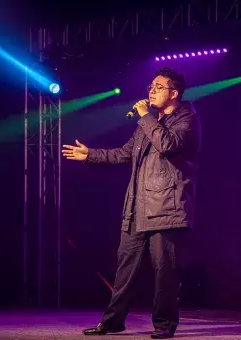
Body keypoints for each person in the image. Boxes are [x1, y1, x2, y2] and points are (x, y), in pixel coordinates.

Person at [62, 67, 202, 339]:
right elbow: (123, 154)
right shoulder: (148, 124)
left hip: (168, 207)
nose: (151, 90)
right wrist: (90, 154)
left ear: (174, 93)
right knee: (125, 268)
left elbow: (168, 144)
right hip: (138, 207)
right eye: (150, 86)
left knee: (165, 272)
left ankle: (164, 325)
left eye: (158, 87)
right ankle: (113, 322)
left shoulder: (187, 119)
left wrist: (145, 117)